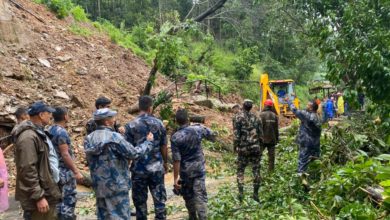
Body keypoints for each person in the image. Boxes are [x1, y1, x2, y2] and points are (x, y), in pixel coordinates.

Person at [84, 108, 154, 220]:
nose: (115, 120)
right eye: (113, 118)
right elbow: (134, 153)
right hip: (117, 185)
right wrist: (148, 142)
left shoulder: (89, 138)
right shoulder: (115, 137)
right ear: (107, 122)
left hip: (100, 186)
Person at [13, 101, 61, 220]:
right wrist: (39, 197)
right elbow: (27, 169)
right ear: (41, 115)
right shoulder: (28, 137)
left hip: (47, 191)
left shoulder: (38, 133)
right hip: (39, 197)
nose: (51, 116)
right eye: (49, 113)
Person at [124, 96, 168, 220]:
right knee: (159, 199)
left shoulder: (131, 125)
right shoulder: (159, 123)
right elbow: (164, 146)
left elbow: (128, 149)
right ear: (150, 108)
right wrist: (165, 162)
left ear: (139, 107)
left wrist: (127, 166)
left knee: (140, 202)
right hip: (156, 167)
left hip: (139, 169)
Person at [171, 109, 216, 220]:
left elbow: (176, 160)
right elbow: (213, 136)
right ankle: (203, 217)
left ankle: (192, 216)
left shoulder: (175, 137)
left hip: (185, 172)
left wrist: (175, 178)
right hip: (198, 169)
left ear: (176, 121)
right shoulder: (197, 129)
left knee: (188, 196)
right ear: (188, 119)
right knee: (200, 195)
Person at [48, 107, 84, 220]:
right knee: (69, 199)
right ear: (65, 116)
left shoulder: (49, 129)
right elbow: (65, 154)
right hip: (64, 171)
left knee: (58, 200)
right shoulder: (61, 132)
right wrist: (76, 171)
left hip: (53, 169)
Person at [233, 99, 263, 202]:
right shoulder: (256, 117)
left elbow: (236, 135)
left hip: (243, 148)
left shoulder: (238, 117)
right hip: (255, 148)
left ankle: (241, 194)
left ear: (243, 106)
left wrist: (235, 147)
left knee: (240, 171)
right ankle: (255, 194)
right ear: (251, 107)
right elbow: (260, 134)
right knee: (256, 170)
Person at [286, 98, 321, 174]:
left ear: (311, 107)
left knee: (303, 160)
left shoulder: (306, 115)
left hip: (306, 142)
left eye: (307, 105)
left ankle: (301, 178)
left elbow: (295, 110)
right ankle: (315, 174)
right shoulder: (318, 117)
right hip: (316, 143)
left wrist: (288, 101)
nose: (306, 106)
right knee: (315, 159)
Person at [260, 99, 279, 172]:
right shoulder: (275, 116)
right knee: (271, 157)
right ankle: (271, 172)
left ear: (265, 105)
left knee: (258, 155)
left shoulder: (261, 115)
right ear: (271, 106)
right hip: (272, 139)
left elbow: (258, 128)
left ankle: (256, 169)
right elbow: (276, 129)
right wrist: (277, 139)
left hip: (262, 139)